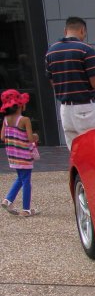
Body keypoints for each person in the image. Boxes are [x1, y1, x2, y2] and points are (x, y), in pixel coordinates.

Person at [44, 16, 95, 149]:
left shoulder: (51, 51)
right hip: (86, 107)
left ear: (65, 30)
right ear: (82, 30)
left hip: (65, 110)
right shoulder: (85, 49)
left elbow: (53, 83)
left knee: (76, 151)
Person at [1, 89, 39, 217]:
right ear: (19, 105)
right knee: (26, 181)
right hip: (24, 156)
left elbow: (2, 137)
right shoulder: (25, 120)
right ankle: (26, 209)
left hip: (13, 156)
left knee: (20, 178)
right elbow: (29, 138)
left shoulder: (6, 119)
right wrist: (35, 136)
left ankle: (8, 200)